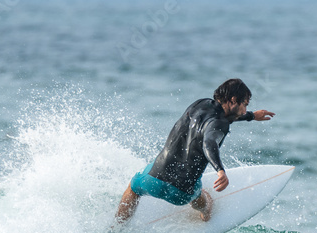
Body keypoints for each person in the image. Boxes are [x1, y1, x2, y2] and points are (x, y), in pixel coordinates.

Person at [115, 78, 275, 225]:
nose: (244, 109)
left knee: (134, 187)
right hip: (182, 193)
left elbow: (222, 118)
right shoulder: (220, 125)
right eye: (244, 104)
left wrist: (251, 116)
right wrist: (220, 170)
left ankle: (117, 226)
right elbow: (209, 141)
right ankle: (205, 216)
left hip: (153, 181)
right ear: (233, 100)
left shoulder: (200, 104)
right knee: (205, 198)